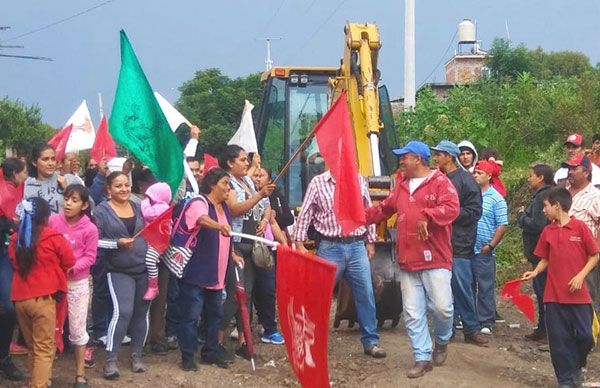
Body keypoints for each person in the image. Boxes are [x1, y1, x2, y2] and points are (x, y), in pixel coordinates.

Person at [366, 141, 458, 378]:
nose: (401, 161)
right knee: (413, 312)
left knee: (443, 308)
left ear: (418, 158)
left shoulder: (440, 182)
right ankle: (422, 357)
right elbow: (383, 210)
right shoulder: (402, 187)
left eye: (404, 157)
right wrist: (356, 216)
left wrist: (428, 215)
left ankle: (442, 339)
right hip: (407, 260)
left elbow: (452, 208)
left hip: (436, 257)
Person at [294, 165, 386, 359]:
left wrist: (371, 241)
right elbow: (306, 213)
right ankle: (313, 343)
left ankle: (371, 341)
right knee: (319, 297)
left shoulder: (358, 180)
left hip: (356, 246)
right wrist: (299, 243)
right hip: (329, 247)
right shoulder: (318, 183)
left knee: (366, 295)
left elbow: (366, 211)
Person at [522, 187, 599, 388]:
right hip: (554, 296)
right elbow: (544, 257)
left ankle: (577, 364)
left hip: (579, 296)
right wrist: (536, 272)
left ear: (557, 206)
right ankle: (565, 380)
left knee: (586, 336)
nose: (544, 210)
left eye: (546, 206)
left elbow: (595, 255)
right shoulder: (548, 231)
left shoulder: (580, 228)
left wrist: (581, 276)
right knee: (559, 342)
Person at [218, 145, 278, 357]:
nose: (247, 163)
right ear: (230, 163)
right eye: (243, 160)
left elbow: (266, 206)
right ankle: (217, 342)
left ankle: (245, 343)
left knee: (249, 294)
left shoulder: (248, 182)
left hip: (252, 244)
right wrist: (260, 194)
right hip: (235, 244)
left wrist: (264, 219)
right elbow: (234, 208)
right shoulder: (227, 182)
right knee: (236, 294)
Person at [8, 198, 75, 388]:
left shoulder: (15, 240)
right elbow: (70, 261)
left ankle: (39, 381)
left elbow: (14, 263)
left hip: (20, 299)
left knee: (32, 347)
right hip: (44, 299)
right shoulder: (53, 238)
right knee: (44, 348)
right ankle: (38, 385)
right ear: (46, 218)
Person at [177, 168, 238, 371]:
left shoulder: (224, 208)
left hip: (217, 273)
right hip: (196, 271)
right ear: (213, 185)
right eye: (225, 183)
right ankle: (187, 355)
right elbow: (201, 219)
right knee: (191, 315)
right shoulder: (199, 203)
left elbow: (227, 236)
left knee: (215, 314)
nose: (228, 188)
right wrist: (218, 227)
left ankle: (210, 352)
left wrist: (233, 254)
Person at [94, 171, 150, 380]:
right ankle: (110, 359)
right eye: (118, 186)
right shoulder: (101, 211)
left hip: (143, 268)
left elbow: (149, 232)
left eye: (127, 185)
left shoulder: (138, 206)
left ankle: (137, 355)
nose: (124, 189)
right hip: (118, 270)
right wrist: (116, 243)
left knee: (140, 313)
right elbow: (94, 241)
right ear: (108, 189)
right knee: (123, 312)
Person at [430, 141, 487, 346]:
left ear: (449, 157)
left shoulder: (465, 180)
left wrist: (449, 214)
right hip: (438, 242)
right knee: (441, 288)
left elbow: (474, 211)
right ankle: (447, 330)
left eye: (439, 154)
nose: (435, 158)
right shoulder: (436, 179)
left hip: (459, 242)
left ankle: (472, 329)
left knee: (462, 287)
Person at [49, 185, 98, 387]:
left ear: (84, 204)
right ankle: (46, 374)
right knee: (50, 328)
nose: (68, 203)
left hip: (77, 283)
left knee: (78, 328)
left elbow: (90, 256)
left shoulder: (90, 228)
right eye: (66, 198)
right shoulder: (53, 221)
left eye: (74, 200)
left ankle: (79, 374)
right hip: (53, 283)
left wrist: (72, 268)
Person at [517, 164, 553, 341]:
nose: (529, 178)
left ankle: (546, 330)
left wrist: (522, 216)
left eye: (531, 175)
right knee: (542, 291)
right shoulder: (544, 195)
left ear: (540, 178)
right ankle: (543, 328)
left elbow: (538, 225)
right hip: (540, 252)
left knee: (543, 291)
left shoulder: (542, 198)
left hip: (541, 254)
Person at [472, 160, 508, 334]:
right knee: (467, 284)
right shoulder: (470, 195)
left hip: (484, 249)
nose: (476, 175)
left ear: (489, 176)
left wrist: (491, 245)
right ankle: (469, 318)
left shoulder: (496, 198)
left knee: (485, 285)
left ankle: (486, 320)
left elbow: (502, 224)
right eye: (475, 172)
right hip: (467, 248)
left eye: (479, 173)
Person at [0, 158, 27, 381]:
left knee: (8, 308)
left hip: (4, 255)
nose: (25, 176)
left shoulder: (9, 192)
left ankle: (4, 358)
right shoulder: (6, 192)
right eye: (23, 172)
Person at [562, 154, 600, 313]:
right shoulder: (563, 193)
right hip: (562, 256)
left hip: (586, 257)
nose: (570, 172)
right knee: (564, 296)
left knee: (588, 298)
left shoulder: (595, 196)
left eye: (574, 168)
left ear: (586, 172)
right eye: (569, 168)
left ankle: (591, 336)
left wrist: (595, 253)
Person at [24, 144, 82, 214]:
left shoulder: (69, 179)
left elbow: (87, 205)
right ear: (34, 162)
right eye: (45, 159)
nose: (50, 163)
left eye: (53, 159)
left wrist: (67, 189)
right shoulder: (27, 186)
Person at [140, 182, 172, 301]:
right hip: (154, 239)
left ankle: (153, 285)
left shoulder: (161, 207)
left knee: (150, 260)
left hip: (157, 240)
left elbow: (148, 214)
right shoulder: (160, 206)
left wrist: (145, 202)